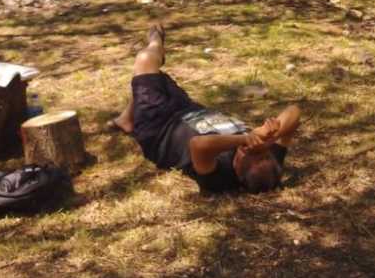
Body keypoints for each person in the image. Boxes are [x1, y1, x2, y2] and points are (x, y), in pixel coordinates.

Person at [110, 24, 301, 193]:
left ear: (237, 170)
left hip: (159, 128)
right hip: (188, 108)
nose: (253, 149)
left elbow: (198, 145)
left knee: (145, 60)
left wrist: (246, 138)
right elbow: (294, 111)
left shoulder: (220, 178)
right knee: (152, 78)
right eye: (263, 153)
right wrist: (271, 134)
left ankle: (155, 41)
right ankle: (126, 119)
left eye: (249, 153)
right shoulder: (268, 163)